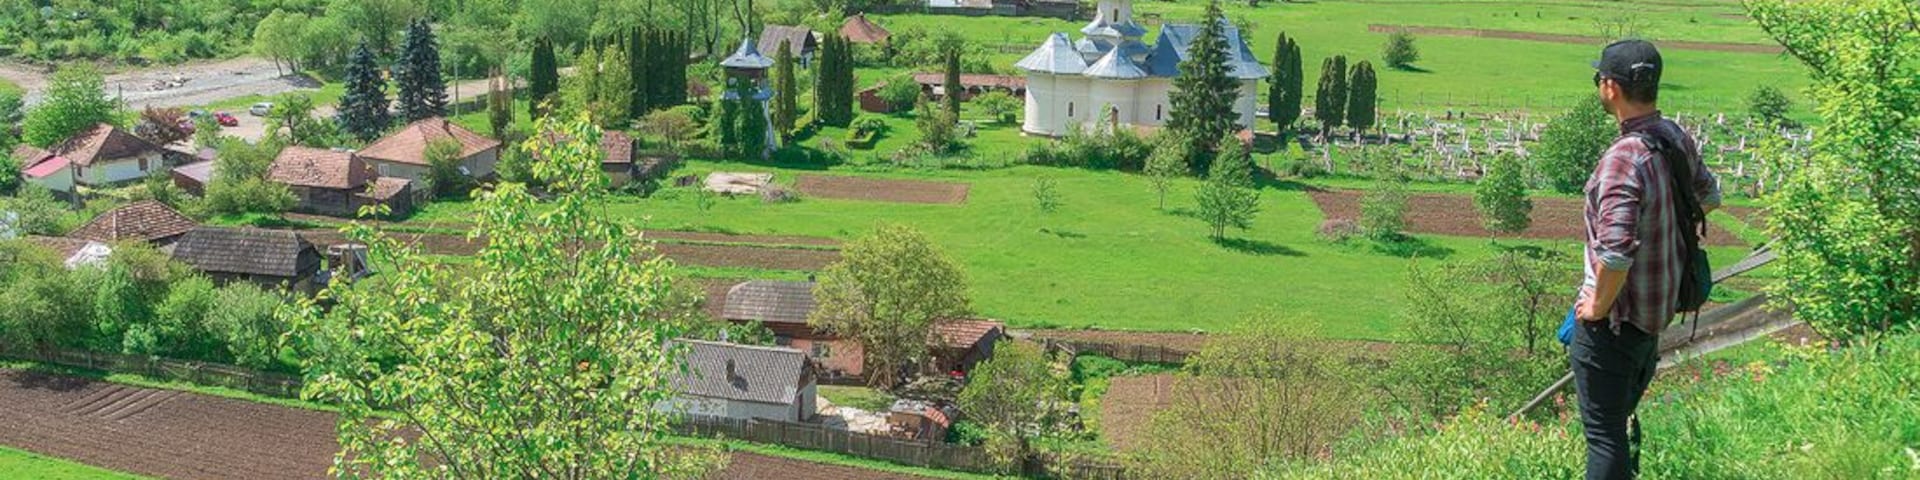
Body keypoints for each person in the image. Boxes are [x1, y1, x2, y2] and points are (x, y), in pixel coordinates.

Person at [1571, 39, 1721, 480]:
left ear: (1611, 88)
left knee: (1604, 437)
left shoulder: (1624, 159)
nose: (1599, 85)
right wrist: (1659, 227)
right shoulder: (1672, 135)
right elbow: (1709, 197)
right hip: (1656, 315)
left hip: (1614, 323)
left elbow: (1615, 254)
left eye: (1599, 79)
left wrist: (1596, 307)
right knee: (1615, 428)